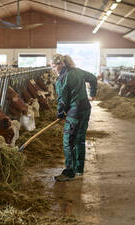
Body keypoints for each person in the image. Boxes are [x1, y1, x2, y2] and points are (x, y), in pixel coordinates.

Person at [50, 54, 97, 182]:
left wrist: (60, 114)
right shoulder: (77, 71)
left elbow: (62, 101)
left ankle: (70, 172)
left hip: (74, 113)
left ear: (60, 64)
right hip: (85, 109)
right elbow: (93, 78)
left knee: (68, 141)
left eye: (53, 66)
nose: (53, 69)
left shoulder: (62, 79)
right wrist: (92, 94)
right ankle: (79, 169)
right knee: (80, 139)